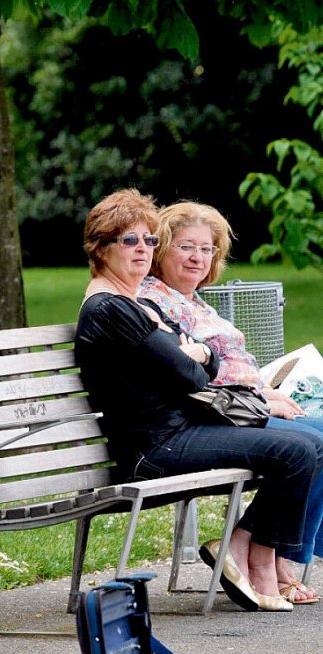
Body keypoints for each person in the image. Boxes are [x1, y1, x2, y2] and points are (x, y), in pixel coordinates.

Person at [74, 189, 322, 613]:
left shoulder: (130, 304)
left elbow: (200, 363)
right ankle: (255, 559)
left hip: (178, 430)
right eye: (129, 241)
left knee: (307, 444)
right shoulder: (111, 309)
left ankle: (251, 553)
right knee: (297, 448)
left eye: (149, 240)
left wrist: (194, 354)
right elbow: (191, 371)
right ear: (101, 247)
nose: (142, 250)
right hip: (154, 447)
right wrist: (192, 354)